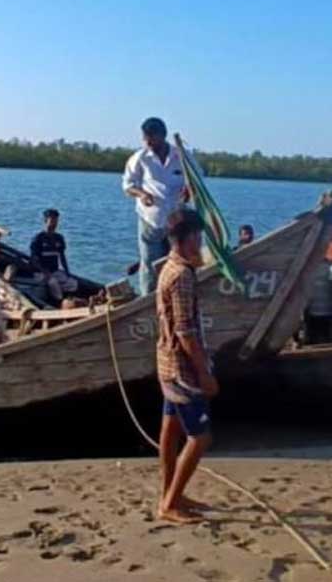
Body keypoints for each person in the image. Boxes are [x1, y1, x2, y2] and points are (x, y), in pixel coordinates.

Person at [156, 207, 218, 524]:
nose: (200, 243)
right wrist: (204, 373)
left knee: (171, 430)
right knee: (200, 437)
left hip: (166, 363)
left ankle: (171, 493)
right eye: (198, 236)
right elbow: (185, 331)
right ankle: (169, 503)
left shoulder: (168, 267)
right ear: (188, 237)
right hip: (182, 369)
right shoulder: (181, 276)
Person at [122, 117, 192, 295]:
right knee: (150, 266)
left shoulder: (181, 155)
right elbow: (128, 186)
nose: (148, 142)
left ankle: (175, 297)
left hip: (177, 221)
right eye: (145, 138)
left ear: (162, 136)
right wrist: (142, 194)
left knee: (177, 263)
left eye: (151, 138)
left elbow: (197, 179)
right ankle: (149, 302)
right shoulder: (140, 158)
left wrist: (189, 190)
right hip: (150, 220)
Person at [29, 208, 79, 304]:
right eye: (52, 220)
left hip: (54, 271)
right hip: (40, 273)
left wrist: (67, 272)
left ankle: (67, 300)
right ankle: (58, 303)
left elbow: (62, 257)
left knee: (73, 283)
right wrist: (45, 272)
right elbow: (34, 260)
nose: (54, 224)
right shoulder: (38, 238)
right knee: (53, 283)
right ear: (45, 221)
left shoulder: (59, 238)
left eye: (56, 221)